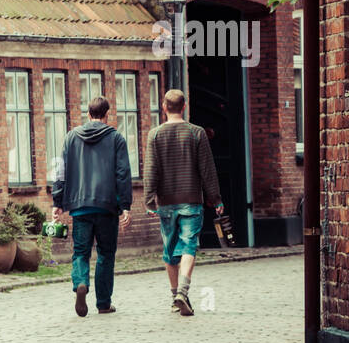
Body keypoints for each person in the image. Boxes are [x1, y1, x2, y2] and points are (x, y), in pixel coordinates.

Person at [144, 89, 223, 316]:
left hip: (166, 202)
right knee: (189, 245)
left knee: (169, 250)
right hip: (191, 200)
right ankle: (183, 292)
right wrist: (215, 198)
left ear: (164, 107)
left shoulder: (155, 135)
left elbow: (151, 171)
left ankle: (174, 296)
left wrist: (150, 201)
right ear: (184, 106)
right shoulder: (197, 133)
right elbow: (207, 170)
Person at [51, 96, 132, 317]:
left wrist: (57, 201)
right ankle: (103, 303)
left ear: (88, 114)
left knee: (80, 252)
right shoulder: (116, 139)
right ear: (107, 115)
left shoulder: (71, 138)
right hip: (107, 207)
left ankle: (80, 283)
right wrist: (125, 205)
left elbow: (60, 171)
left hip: (80, 206)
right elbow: (123, 174)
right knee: (106, 254)